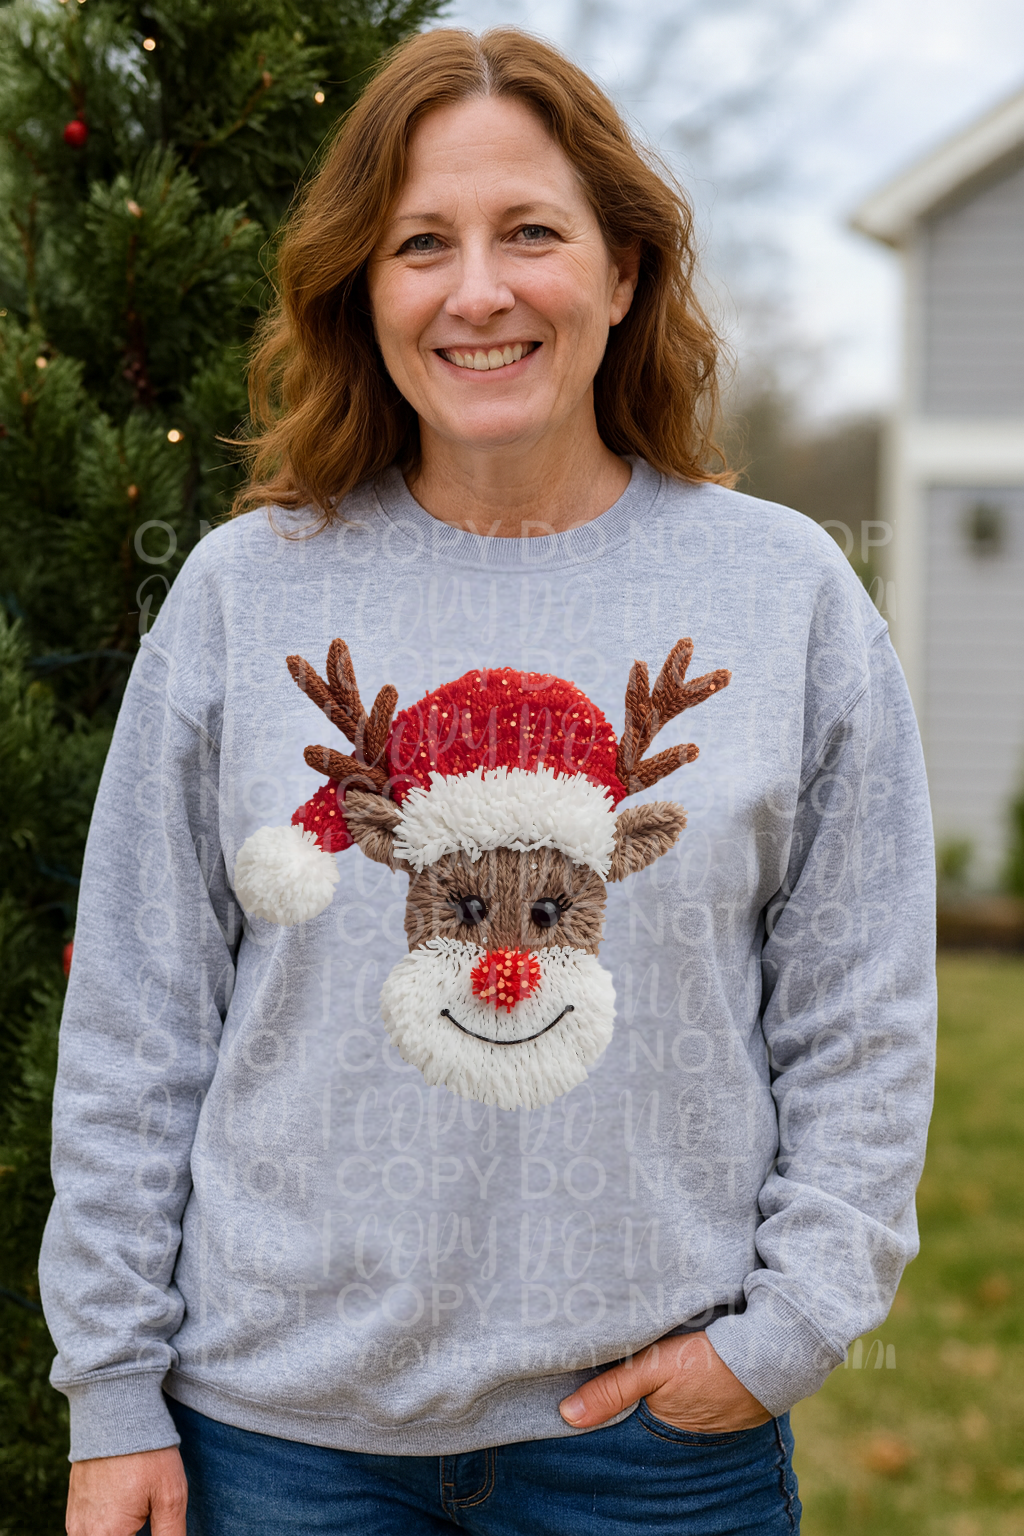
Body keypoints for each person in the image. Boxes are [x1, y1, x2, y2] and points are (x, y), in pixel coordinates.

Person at [42, 26, 936, 1536]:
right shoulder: (242, 592)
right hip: (277, 1446)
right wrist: (113, 1396)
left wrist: (778, 1338)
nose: (479, 291)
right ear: (362, 289)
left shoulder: (787, 596)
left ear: (624, 272)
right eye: (420, 244)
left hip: (651, 1453)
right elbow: (140, 1012)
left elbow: (863, 1013)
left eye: (532, 233)